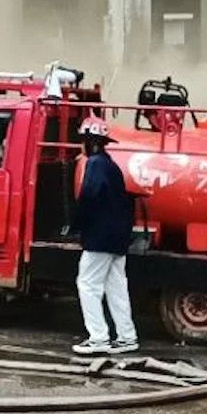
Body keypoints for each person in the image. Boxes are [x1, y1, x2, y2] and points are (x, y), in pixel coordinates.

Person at [70, 115, 139, 355]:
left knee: (87, 284)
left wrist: (76, 225)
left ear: (90, 142)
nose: (81, 145)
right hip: (118, 238)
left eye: (83, 141)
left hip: (100, 238)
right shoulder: (110, 165)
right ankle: (127, 337)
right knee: (116, 287)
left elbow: (89, 196)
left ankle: (98, 338)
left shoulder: (95, 164)